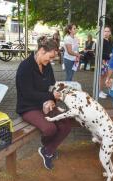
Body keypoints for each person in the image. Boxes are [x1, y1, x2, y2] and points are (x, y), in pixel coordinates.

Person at [16, 36, 71, 170]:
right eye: (50, 57)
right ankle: (49, 149)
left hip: (45, 103)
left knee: (66, 124)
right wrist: (49, 96)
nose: (51, 61)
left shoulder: (46, 66)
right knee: (50, 128)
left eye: (53, 58)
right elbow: (27, 93)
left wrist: (52, 100)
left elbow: (52, 86)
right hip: (28, 107)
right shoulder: (25, 67)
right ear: (41, 51)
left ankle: (47, 150)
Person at [100, 27, 113, 99]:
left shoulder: (110, 41)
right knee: (101, 77)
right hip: (103, 61)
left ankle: (101, 91)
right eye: (105, 31)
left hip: (108, 61)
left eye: (108, 31)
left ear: (110, 33)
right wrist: (109, 55)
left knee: (105, 76)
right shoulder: (101, 41)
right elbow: (99, 53)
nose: (106, 33)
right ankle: (98, 91)